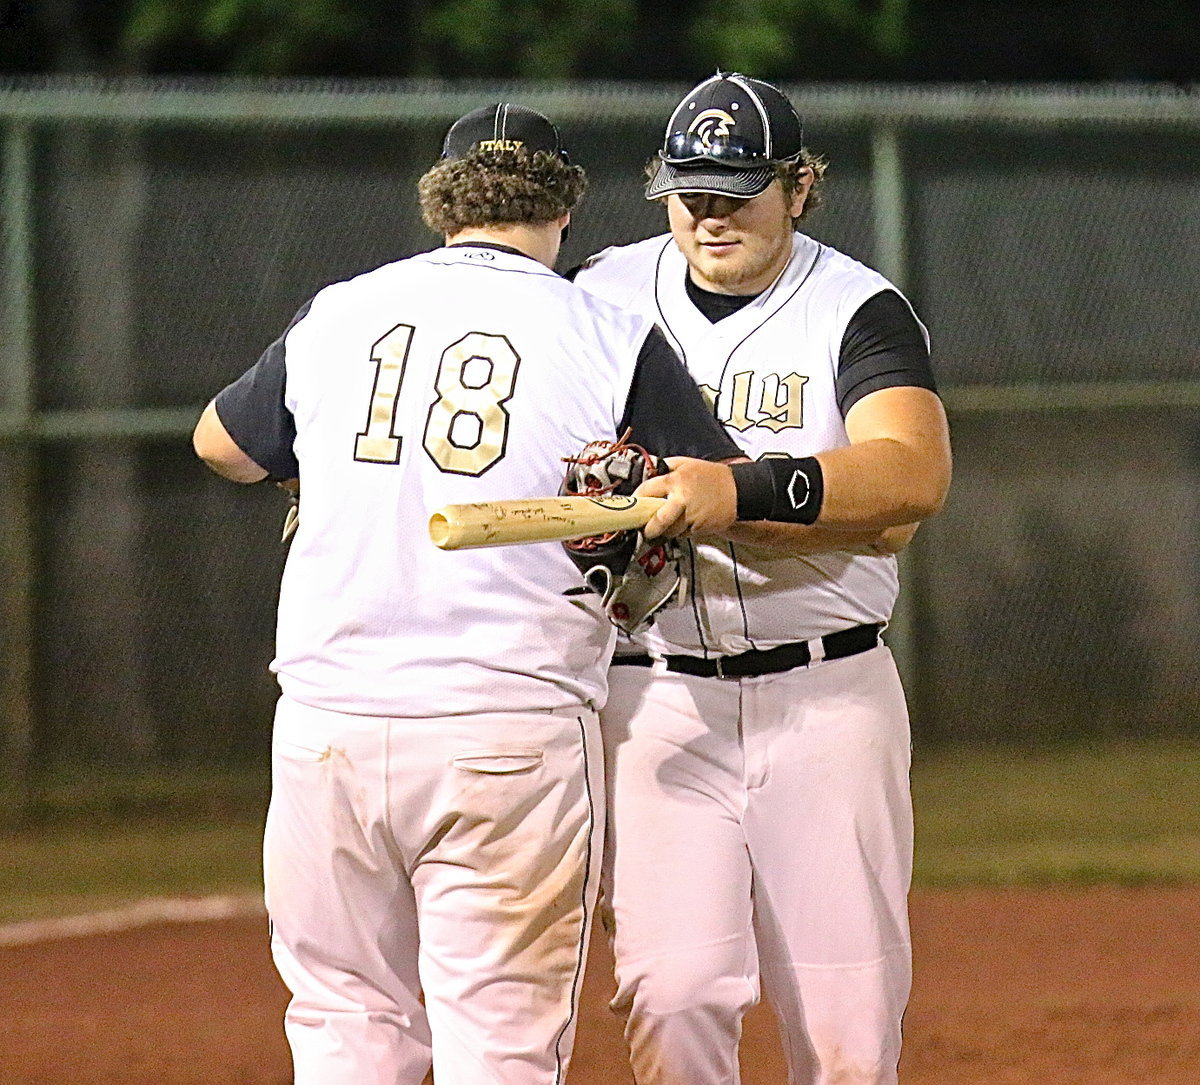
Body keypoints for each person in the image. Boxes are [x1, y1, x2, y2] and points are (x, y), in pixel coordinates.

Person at [191, 102, 741, 1085]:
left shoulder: (344, 308)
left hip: (331, 720)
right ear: (564, 207)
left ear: (443, 204)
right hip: (506, 719)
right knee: (499, 1041)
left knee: (343, 1018)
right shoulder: (607, 330)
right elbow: (719, 490)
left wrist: (317, 475)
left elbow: (221, 444)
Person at [571, 72, 953, 1085]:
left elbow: (910, 470)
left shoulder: (854, 306)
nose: (709, 212)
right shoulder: (600, 292)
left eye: (738, 188)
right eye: (689, 188)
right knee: (673, 993)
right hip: (654, 691)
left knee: (848, 1030)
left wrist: (736, 491)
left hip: (826, 693)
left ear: (799, 186)